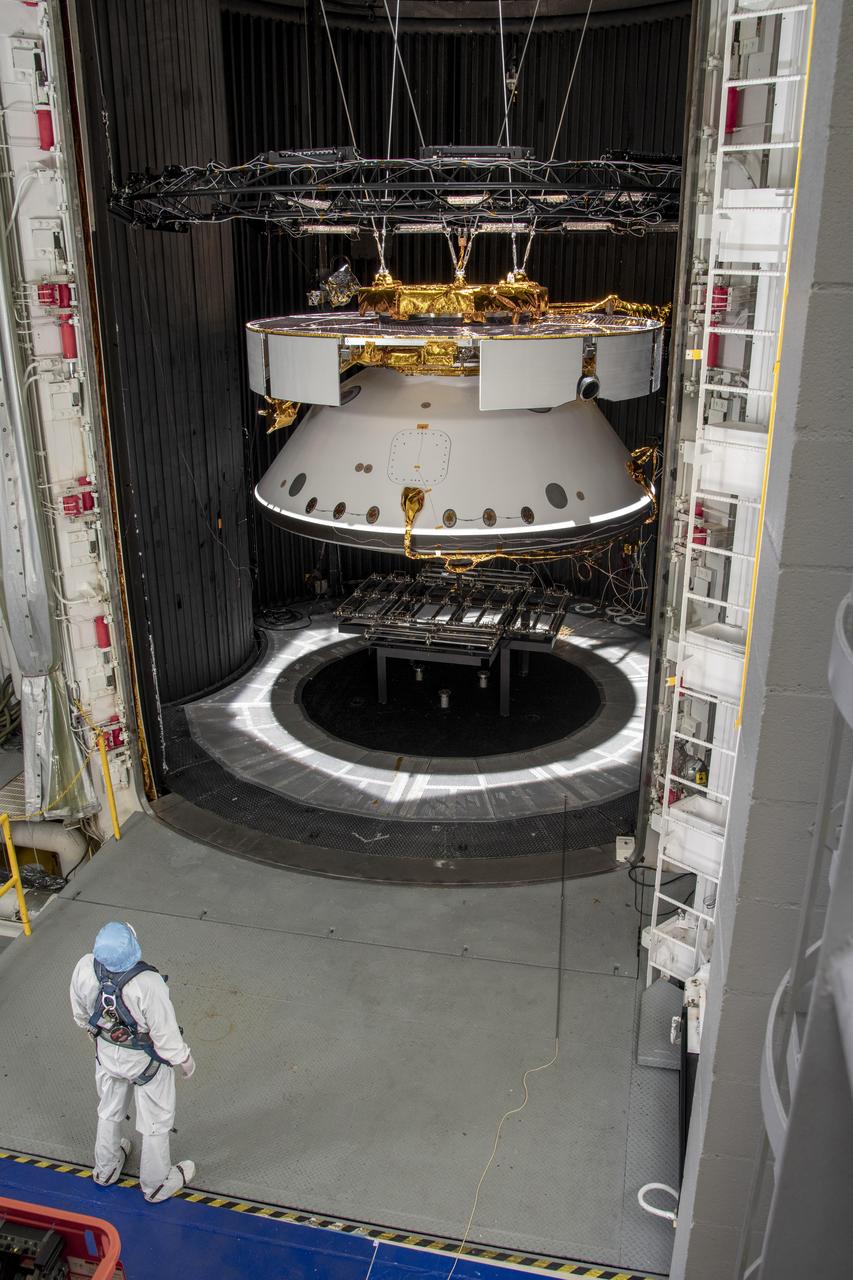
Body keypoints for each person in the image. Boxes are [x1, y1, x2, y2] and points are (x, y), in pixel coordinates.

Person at [70, 921, 196, 1201]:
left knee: (109, 1109)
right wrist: (184, 1059)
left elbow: (80, 1013)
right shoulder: (147, 983)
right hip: (144, 1063)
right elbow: (165, 1033)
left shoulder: (84, 967)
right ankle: (156, 1184)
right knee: (155, 1120)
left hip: (105, 1055)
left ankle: (105, 1169)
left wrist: (98, 1038)